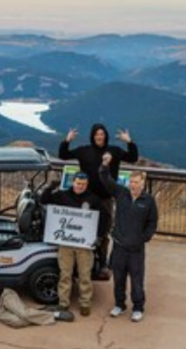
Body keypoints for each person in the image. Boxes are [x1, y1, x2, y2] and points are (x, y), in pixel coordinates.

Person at [58, 123, 139, 276]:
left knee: (103, 232)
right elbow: (63, 155)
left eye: (102, 134)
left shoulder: (114, 151)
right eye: (96, 134)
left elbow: (133, 158)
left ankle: (102, 264)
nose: (99, 137)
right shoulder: (84, 151)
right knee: (84, 230)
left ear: (105, 135)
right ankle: (84, 262)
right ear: (92, 136)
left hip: (106, 199)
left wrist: (129, 142)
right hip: (86, 199)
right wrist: (67, 140)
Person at [99, 152, 158, 323]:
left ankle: (138, 307)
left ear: (143, 183)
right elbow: (106, 180)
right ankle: (119, 304)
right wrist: (104, 165)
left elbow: (152, 222)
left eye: (136, 182)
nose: (133, 185)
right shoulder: (121, 193)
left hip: (136, 250)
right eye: (131, 182)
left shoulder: (149, 201)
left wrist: (144, 237)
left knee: (137, 280)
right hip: (118, 247)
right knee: (118, 279)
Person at [41, 172, 103, 317]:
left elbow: (104, 217)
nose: (80, 186)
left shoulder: (93, 199)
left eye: (83, 184)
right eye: (78, 183)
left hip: (85, 244)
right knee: (65, 274)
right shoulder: (62, 196)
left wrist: (99, 235)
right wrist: (50, 187)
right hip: (66, 243)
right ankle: (63, 303)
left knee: (85, 275)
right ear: (73, 182)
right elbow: (44, 199)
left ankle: (85, 303)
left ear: (86, 184)